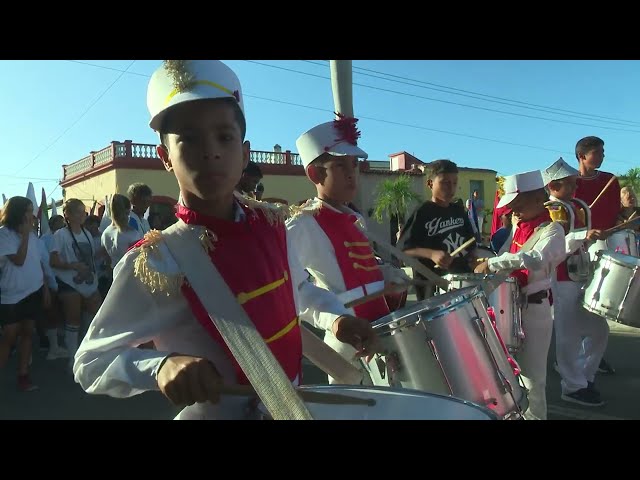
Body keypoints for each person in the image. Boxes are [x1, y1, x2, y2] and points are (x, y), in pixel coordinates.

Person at [73, 60, 378, 420]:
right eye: (188, 138)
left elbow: (296, 291)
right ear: (164, 157)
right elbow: (90, 362)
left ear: (245, 152)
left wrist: (337, 319)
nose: (210, 151)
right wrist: (160, 367)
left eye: (224, 136)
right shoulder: (158, 261)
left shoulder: (272, 225)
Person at [286, 116, 410, 383]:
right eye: (340, 165)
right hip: (348, 345)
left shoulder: (354, 219)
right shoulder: (303, 224)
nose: (352, 172)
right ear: (315, 174)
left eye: (354, 164)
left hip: (380, 331)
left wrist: (387, 276)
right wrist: (332, 319)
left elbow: (364, 270)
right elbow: (288, 288)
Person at [474, 170, 566, 420]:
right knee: (505, 374)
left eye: (518, 205)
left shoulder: (553, 231)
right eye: (512, 206)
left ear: (538, 199)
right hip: (508, 305)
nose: (513, 211)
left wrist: (494, 264)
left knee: (533, 379)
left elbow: (535, 259)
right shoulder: (519, 227)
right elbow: (506, 256)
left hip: (535, 310)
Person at [542, 158, 609, 407]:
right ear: (553, 186)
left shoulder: (577, 206)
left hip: (582, 274)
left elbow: (582, 241)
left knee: (599, 330)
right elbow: (556, 243)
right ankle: (572, 386)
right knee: (568, 335)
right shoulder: (550, 208)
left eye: (574, 184)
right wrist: (584, 235)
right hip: (560, 277)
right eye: (568, 185)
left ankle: (584, 376)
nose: (574, 189)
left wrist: (591, 239)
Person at [400, 159, 478, 300]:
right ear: (430, 184)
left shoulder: (459, 210)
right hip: (434, 291)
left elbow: (471, 243)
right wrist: (432, 254)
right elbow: (403, 250)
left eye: (454, 183)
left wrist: (473, 256)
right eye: (445, 183)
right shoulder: (422, 212)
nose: (451, 188)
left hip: (463, 285)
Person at [574, 136, 619, 375]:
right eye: (597, 152)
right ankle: (574, 360)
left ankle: (591, 354)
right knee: (577, 309)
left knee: (597, 307)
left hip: (604, 246)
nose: (602, 156)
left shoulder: (610, 181)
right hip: (575, 251)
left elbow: (616, 215)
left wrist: (624, 222)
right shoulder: (570, 183)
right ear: (582, 156)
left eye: (603, 151)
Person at [0, 196, 51, 391]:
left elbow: (37, 262)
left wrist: (45, 287)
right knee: (9, 337)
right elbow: (19, 260)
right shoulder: (3, 234)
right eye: (29, 210)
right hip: (12, 294)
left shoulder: (32, 236)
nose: (32, 215)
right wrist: (24, 236)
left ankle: (23, 374)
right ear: (18, 213)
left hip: (34, 291)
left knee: (28, 333)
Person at [49, 198, 103, 371]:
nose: (82, 216)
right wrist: (72, 265)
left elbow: (91, 257)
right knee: (73, 320)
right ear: (68, 215)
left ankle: (88, 353)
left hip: (89, 281)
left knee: (96, 316)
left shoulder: (87, 233)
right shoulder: (60, 235)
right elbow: (54, 260)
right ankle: (73, 358)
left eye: (83, 212)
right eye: (78, 212)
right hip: (69, 282)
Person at [101, 194, 143, 268]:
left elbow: (106, 259)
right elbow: (139, 258)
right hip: (128, 273)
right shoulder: (132, 233)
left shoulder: (105, 233)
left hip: (114, 272)